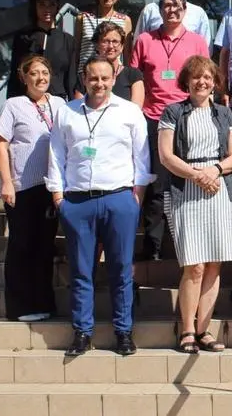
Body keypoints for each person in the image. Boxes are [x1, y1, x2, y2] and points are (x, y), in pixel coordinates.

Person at [46, 56, 152, 357]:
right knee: (81, 270)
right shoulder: (67, 112)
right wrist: (58, 198)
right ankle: (82, 332)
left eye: (105, 78)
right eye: (93, 78)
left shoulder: (129, 111)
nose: (99, 84)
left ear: (114, 78)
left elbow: (142, 157)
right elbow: (56, 155)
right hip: (78, 201)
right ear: (84, 78)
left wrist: (136, 196)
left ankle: (123, 332)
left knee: (121, 269)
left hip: (119, 198)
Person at [158, 56, 232, 354]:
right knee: (194, 266)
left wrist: (214, 171)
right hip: (186, 190)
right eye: (196, 77)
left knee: (214, 264)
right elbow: (166, 156)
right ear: (187, 81)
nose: (202, 82)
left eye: (207, 77)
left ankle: (204, 330)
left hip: (219, 189)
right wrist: (197, 176)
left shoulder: (224, 113)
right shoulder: (173, 112)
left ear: (215, 82)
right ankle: (187, 330)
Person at [130, 0, 210, 262]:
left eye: (177, 6)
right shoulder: (145, 40)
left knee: (186, 182)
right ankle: (153, 246)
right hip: (153, 117)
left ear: (185, 10)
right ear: (160, 10)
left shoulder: (197, 41)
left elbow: (206, 79)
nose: (172, 10)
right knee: (156, 185)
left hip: (187, 116)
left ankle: (185, 244)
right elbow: (134, 77)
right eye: (166, 6)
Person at [0, 55, 66, 322]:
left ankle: (43, 303)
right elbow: (1, 144)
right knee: (22, 244)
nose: (40, 78)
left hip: (51, 186)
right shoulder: (13, 105)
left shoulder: (59, 104)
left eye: (44, 72)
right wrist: (6, 182)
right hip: (22, 186)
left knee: (44, 246)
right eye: (34, 73)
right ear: (24, 77)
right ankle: (20, 307)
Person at [8, 0, 77, 100]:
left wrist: (73, 105)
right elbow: (15, 75)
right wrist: (11, 101)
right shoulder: (24, 38)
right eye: (42, 5)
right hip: (27, 100)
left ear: (57, 7)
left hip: (57, 101)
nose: (47, 9)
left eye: (51, 5)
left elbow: (71, 79)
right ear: (34, 7)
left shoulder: (67, 40)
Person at [75, 21, 144, 107]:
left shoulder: (133, 75)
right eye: (105, 41)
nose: (111, 46)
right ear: (96, 45)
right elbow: (79, 108)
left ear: (122, 46)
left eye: (115, 41)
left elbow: (135, 110)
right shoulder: (86, 76)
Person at [75, 0, 132, 74]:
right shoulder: (83, 18)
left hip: (114, 76)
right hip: (86, 76)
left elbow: (127, 55)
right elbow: (76, 51)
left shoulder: (125, 20)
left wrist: (127, 77)